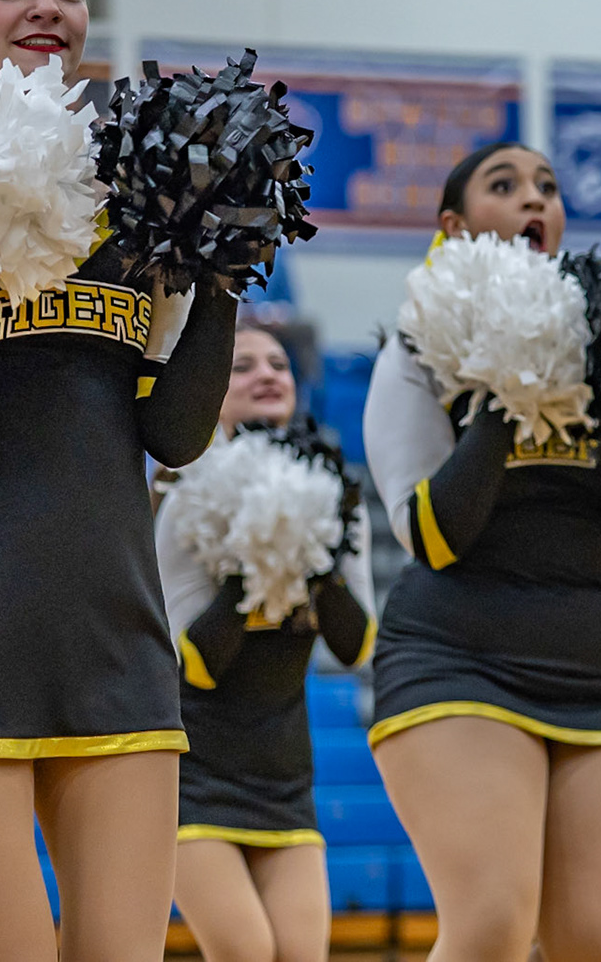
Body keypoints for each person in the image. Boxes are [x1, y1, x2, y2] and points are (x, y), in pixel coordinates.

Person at [0, 0, 238, 961]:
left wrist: (225, 265)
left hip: (115, 632)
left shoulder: (136, 182)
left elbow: (173, 434)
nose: (45, 6)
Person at [362, 144, 601, 962]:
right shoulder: (418, 348)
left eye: (548, 187)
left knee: (600, 942)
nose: (535, 199)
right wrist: (510, 384)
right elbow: (431, 535)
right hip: (458, 661)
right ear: (455, 225)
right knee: (490, 926)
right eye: (506, 186)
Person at [157, 326, 376, 962]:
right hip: (195, 772)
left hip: (283, 777)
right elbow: (194, 665)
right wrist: (251, 563)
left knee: (301, 953)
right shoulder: (183, 496)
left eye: (278, 363)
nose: (267, 374)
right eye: (242, 365)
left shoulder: (338, 497)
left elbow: (356, 646)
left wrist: (316, 553)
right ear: (212, 393)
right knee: (246, 951)